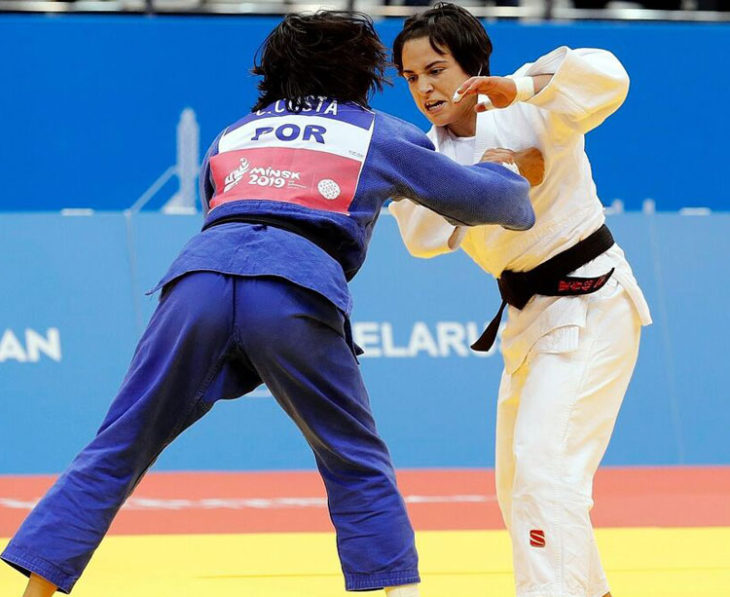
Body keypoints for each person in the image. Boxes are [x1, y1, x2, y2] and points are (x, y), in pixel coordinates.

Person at [1, 10, 534, 597]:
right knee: (352, 458)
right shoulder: (376, 130)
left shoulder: (231, 134)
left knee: (119, 443)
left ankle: (34, 594)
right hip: (294, 286)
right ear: (360, 73)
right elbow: (494, 204)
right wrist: (501, 170)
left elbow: (217, 206)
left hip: (197, 281)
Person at [389, 4, 652, 597]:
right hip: (529, 321)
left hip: (591, 298)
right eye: (411, 78)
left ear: (473, 65)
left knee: (546, 472)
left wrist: (522, 88)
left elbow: (609, 77)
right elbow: (422, 238)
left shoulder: (535, 100)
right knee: (519, 486)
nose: (425, 88)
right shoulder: (422, 159)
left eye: (436, 69)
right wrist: (500, 173)